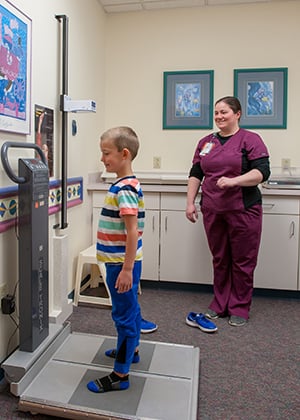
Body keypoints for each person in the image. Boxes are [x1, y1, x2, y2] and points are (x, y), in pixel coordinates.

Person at [186, 96, 270, 327]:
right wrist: (190, 202)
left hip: (244, 209)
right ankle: (219, 304)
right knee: (220, 258)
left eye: (224, 112)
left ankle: (239, 307)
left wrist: (235, 182)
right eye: (216, 113)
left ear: (237, 114)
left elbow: (262, 172)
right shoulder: (206, 142)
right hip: (213, 208)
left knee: (243, 260)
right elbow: (196, 173)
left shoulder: (250, 140)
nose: (219, 117)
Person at [87, 126, 148, 394]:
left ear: (124, 154)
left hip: (119, 264)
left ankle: (120, 375)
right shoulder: (127, 183)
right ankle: (131, 350)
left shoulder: (124, 188)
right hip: (123, 262)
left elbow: (132, 230)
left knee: (123, 314)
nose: (102, 158)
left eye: (106, 153)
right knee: (130, 308)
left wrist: (126, 268)